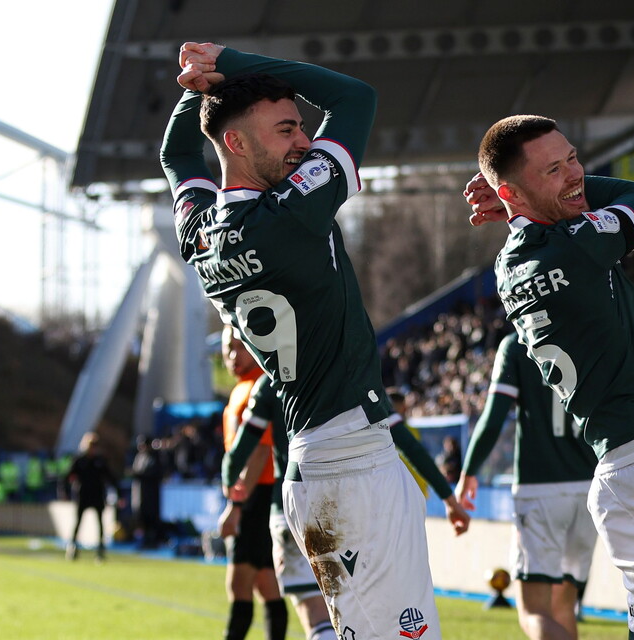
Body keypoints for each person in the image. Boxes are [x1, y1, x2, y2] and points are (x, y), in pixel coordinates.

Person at [161, 42, 467, 639]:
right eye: (286, 129)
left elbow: (176, 153)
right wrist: (226, 64)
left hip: (313, 466)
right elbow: (355, 98)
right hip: (354, 464)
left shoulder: (200, 232)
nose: (304, 140)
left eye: (301, 126)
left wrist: (201, 86)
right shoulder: (290, 215)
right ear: (235, 143)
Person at [464, 115, 634, 640]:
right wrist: (527, 198)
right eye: (553, 169)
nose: (574, 174)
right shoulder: (575, 244)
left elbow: (559, 207)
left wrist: (525, 197)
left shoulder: (513, 262)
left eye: (573, 159)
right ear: (512, 191)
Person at [223, 375, 471, 640]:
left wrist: (230, 484)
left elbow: (241, 448)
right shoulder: (357, 373)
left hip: (301, 505)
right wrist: (449, 498)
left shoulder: (271, 381)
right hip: (361, 507)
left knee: (318, 614)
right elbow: (408, 443)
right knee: (372, 619)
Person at [456, 330, 598, 640]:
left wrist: (468, 472)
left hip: (541, 488)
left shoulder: (518, 345)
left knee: (532, 613)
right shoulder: (589, 335)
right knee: (563, 608)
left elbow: (493, 418)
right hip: (589, 490)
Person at [218, 325, 286, 640]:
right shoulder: (243, 388)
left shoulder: (259, 387)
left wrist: (236, 505)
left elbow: (260, 450)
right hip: (258, 494)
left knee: (240, 584)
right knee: (265, 583)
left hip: (257, 494)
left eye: (239, 347)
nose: (233, 355)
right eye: (227, 348)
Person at [65, 432, 116, 561]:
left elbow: (110, 477)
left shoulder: (100, 461)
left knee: (100, 524)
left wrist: (118, 493)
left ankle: (100, 550)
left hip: (97, 495)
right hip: (82, 495)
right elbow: (68, 476)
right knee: (78, 522)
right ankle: (73, 547)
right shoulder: (79, 460)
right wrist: (65, 492)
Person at [130, 435, 163, 549]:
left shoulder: (154, 457)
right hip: (139, 494)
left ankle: (152, 542)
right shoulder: (139, 457)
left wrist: (138, 474)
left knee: (151, 520)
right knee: (140, 519)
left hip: (150, 495)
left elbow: (153, 474)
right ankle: (142, 541)